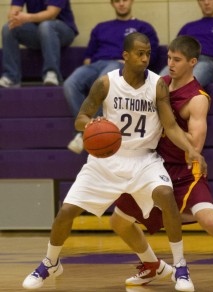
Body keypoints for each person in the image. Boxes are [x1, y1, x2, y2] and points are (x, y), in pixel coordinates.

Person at [22, 32, 200, 291]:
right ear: (125, 56)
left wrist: (191, 150)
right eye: (139, 53)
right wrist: (93, 123)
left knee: (166, 196)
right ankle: (50, 262)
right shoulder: (105, 83)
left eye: (148, 53)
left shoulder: (158, 85)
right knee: (66, 212)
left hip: (144, 159)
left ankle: (181, 267)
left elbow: (170, 125)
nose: (145, 58)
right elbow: (80, 118)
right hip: (106, 159)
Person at [111, 35, 213, 292]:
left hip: (187, 172)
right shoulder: (159, 84)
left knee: (209, 221)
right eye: (168, 58)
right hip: (156, 169)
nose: (171, 64)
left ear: (192, 62)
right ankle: (151, 264)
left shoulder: (197, 99)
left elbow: (195, 146)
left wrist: (166, 126)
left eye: (177, 60)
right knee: (118, 221)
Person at [65, 0, 159, 155]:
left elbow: (151, 56)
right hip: (96, 64)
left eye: (125, 0)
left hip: (120, 64)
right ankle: (92, 131)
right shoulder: (101, 27)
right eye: (117, 1)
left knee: (104, 79)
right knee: (70, 83)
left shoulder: (143, 27)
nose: (121, 4)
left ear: (131, 2)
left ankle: (97, 134)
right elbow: (88, 58)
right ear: (112, 3)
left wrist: (129, 62)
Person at [159, 0, 213, 87]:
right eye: (202, 0)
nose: (206, 2)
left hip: (208, 62)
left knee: (187, 85)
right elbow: (175, 51)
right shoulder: (188, 27)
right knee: (157, 84)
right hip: (183, 61)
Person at [0, 0, 78, 88]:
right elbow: (12, 13)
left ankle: (52, 73)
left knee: (46, 25)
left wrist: (27, 17)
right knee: (9, 27)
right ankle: (11, 77)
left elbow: (51, 14)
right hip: (39, 30)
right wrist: (15, 17)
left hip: (63, 31)